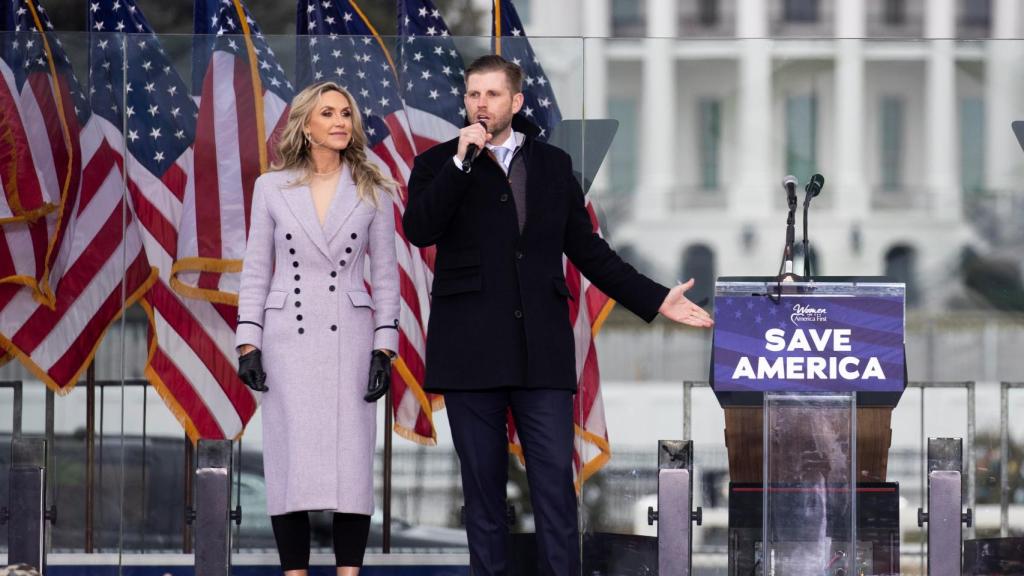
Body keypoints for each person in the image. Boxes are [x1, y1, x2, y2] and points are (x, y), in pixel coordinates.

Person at [404, 55, 714, 576]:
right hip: (468, 354)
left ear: (516, 102)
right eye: (473, 95)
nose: (481, 104)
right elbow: (420, 229)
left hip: (541, 354)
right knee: (482, 496)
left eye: (492, 95)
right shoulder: (439, 164)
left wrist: (656, 298)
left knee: (554, 490)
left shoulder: (551, 167)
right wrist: (461, 164)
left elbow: (590, 253)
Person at [235, 81, 400, 576]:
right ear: (306, 125)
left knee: (352, 471)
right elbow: (256, 271)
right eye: (328, 113)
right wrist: (249, 343)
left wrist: (383, 350)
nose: (340, 122)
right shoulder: (271, 186)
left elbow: (387, 280)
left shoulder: (373, 186)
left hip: (350, 340)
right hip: (287, 341)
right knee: (289, 468)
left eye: (346, 113)